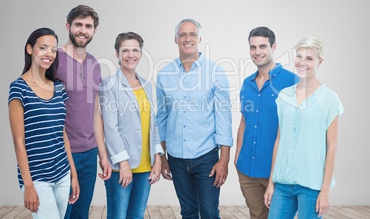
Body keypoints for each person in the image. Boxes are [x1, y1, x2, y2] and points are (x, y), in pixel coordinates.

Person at [156, 18, 233, 219]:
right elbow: (162, 116)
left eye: (192, 34)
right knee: (188, 212)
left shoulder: (216, 72)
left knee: (208, 212)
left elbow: (224, 117)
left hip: (206, 156)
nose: (187, 38)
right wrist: (162, 155)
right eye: (182, 34)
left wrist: (223, 159)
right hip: (176, 157)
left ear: (199, 38)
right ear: (175, 39)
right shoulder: (165, 74)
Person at [264, 36, 344, 218]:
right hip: (283, 183)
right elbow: (279, 140)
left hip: (312, 185)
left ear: (319, 62)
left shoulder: (329, 99)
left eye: (309, 58)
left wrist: (325, 191)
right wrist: (271, 182)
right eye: (299, 56)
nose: (302, 62)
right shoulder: (284, 95)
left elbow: (332, 147)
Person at [8, 28, 80, 218]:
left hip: (63, 173)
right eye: (43, 47)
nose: (49, 53)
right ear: (30, 49)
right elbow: (18, 141)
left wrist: (73, 174)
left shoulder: (58, 87)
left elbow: (62, 133)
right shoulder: (19, 88)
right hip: (37, 177)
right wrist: (28, 185)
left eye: (53, 49)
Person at [234, 26, 298, 219]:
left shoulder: (292, 82)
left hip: (277, 172)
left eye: (262, 46)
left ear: (274, 47)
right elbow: (244, 121)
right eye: (253, 47)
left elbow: (296, 129)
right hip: (247, 169)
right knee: (258, 216)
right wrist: (237, 157)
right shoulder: (247, 83)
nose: (257, 52)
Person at [99, 32, 164, 219]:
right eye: (125, 50)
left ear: (141, 53)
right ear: (117, 53)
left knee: (136, 215)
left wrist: (158, 157)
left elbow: (153, 124)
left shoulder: (146, 84)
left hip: (145, 165)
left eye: (135, 50)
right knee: (118, 216)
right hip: (121, 166)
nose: (130, 55)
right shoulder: (109, 85)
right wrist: (123, 162)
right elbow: (110, 128)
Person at [56, 5, 112, 219]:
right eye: (78, 24)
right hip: (61, 152)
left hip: (89, 153)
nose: (83, 30)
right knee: (63, 214)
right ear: (68, 26)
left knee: (81, 215)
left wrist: (102, 154)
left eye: (88, 26)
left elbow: (96, 111)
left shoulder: (94, 63)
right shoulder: (53, 60)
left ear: (94, 31)